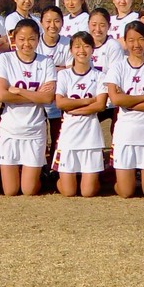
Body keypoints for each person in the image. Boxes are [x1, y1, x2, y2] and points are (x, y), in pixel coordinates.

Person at [0, 18, 56, 196]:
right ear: (14, 38)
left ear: (38, 39)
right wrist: (35, 95)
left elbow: (48, 98)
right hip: (9, 130)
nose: (26, 44)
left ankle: (40, 176)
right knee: (11, 191)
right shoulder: (5, 59)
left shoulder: (46, 62)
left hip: (35, 130)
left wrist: (19, 91)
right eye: (21, 39)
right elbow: (3, 95)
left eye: (31, 39)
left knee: (28, 191)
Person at [106, 21, 144, 198]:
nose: (136, 45)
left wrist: (128, 99)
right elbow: (116, 99)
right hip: (125, 132)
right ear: (125, 42)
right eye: (131, 40)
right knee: (126, 193)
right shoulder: (117, 67)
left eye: (141, 39)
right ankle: (123, 180)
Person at [52, 31, 108, 197]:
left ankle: (96, 180)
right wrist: (86, 101)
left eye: (86, 46)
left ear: (93, 49)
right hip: (69, 135)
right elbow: (60, 103)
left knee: (88, 192)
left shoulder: (100, 76)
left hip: (91, 136)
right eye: (77, 46)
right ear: (71, 50)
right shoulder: (63, 75)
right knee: (68, 192)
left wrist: (73, 107)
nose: (81, 50)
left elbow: (100, 105)